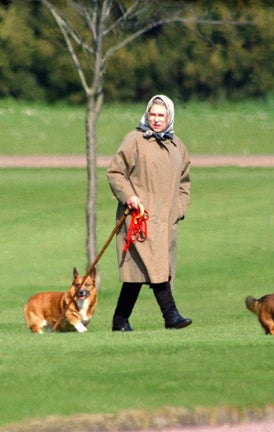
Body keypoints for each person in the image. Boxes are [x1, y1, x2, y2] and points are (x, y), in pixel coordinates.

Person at [106, 94, 192, 331]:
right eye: (152, 114)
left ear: (169, 117)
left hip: (166, 222)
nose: (156, 119)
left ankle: (120, 320)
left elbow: (185, 182)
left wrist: (179, 209)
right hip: (138, 220)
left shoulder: (177, 146)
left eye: (161, 115)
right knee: (156, 267)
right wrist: (129, 197)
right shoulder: (134, 140)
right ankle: (171, 316)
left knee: (140, 273)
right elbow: (115, 172)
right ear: (146, 114)